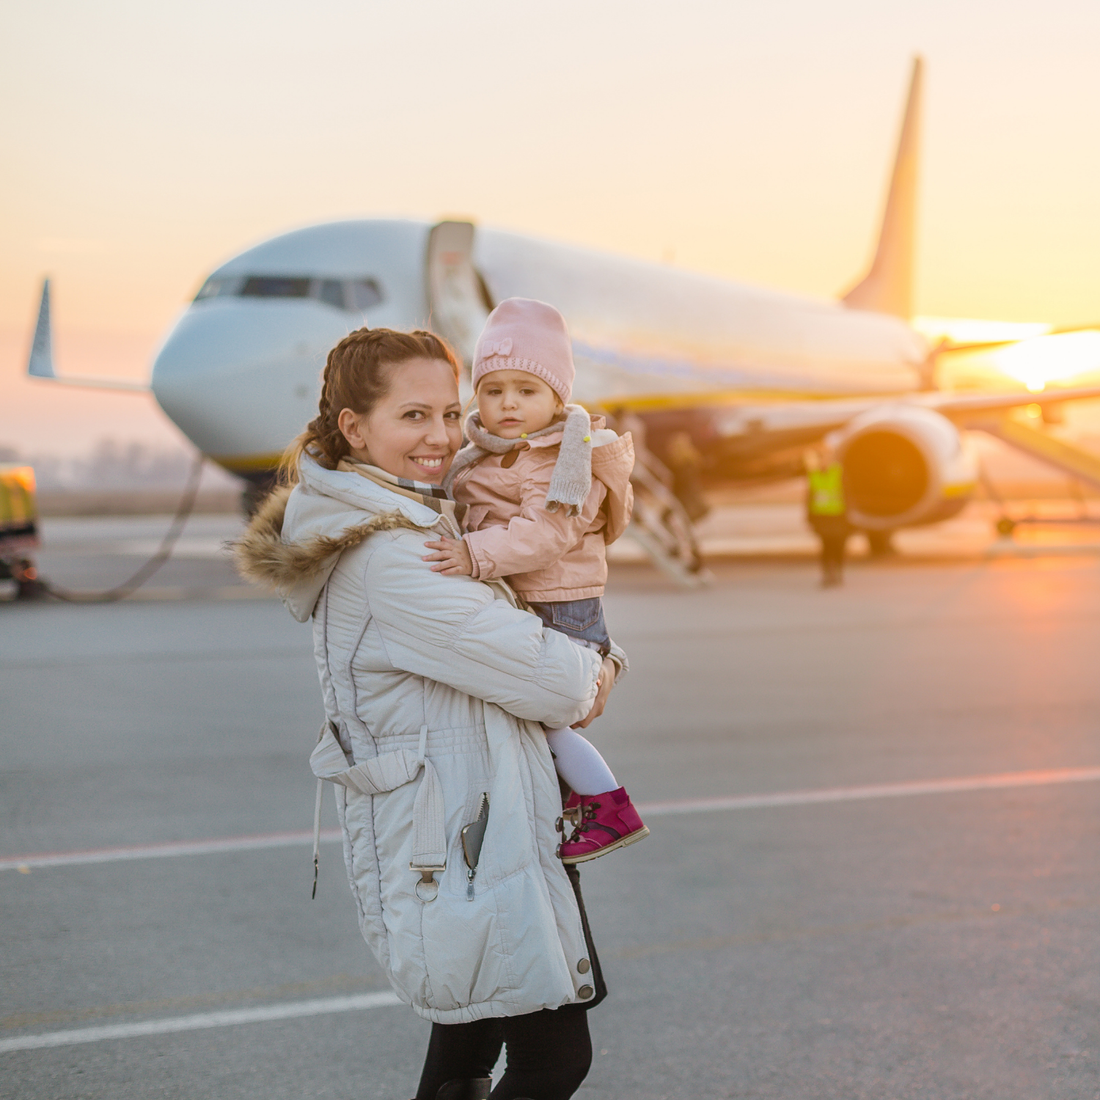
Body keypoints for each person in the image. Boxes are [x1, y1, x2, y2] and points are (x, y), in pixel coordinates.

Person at [235, 327, 621, 1100]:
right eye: (414, 416)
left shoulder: (418, 521)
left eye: (449, 413)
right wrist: (600, 667)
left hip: (472, 834)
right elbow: (560, 686)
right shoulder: (395, 558)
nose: (442, 437)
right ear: (354, 427)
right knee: (552, 1060)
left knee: (462, 1064)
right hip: (468, 847)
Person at [422, 298, 647, 864]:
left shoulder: (552, 459)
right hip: (537, 598)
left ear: (557, 399)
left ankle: (609, 804)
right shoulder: (492, 453)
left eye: (526, 390)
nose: (508, 403)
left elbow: (545, 534)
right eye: (493, 390)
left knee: (542, 720)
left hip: (556, 604)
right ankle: (572, 796)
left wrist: (472, 554)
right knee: (530, 724)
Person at [805, 446, 850, 587]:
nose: (824, 461)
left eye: (827, 458)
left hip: (838, 518)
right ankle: (827, 575)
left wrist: (848, 518)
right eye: (822, 459)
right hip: (823, 518)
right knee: (826, 548)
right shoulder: (814, 475)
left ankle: (838, 573)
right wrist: (810, 518)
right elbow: (810, 498)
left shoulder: (839, 473)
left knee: (838, 547)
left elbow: (847, 496)